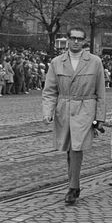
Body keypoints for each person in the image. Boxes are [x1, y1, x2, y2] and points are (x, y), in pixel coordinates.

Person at [42, 26, 106, 205]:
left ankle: (72, 187)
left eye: (80, 39)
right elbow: (49, 91)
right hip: (64, 109)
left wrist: (99, 118)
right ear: (68, 40)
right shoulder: (56, 62)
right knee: (69, 148)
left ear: (85, 41)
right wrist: (48, 112)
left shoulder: (95, 62)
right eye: (73, 38)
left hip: (85, 109)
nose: (76, 42)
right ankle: (74, 184)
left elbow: (101, 92)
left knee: (76, 147)